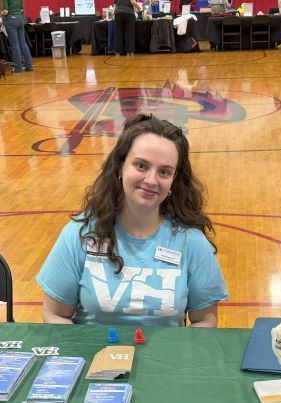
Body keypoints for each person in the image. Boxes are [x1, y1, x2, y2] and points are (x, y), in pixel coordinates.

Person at [37, 114, 228, 327]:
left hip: (164, 360)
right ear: (120, 166)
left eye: (164, 172)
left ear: (174, 180)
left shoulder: (191, 242)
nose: (151, 180)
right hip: (94, 358)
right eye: (141, 166)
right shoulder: (79, 234)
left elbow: (205, 320)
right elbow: (55, 315)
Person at [2, 0, 33, 72]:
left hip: (10, 20)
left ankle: (18, 68)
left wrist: (1, 13)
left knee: (15, 45)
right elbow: (22, 9)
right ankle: (29, 66)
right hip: (20, 19)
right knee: (23, 43)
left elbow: (5, 11)